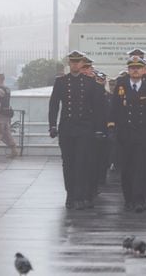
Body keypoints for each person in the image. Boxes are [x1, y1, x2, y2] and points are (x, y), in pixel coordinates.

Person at [48, 51, 106, 209]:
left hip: (85, 128)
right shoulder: (61, 82)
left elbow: (98, 109)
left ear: (82, 64)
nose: (74, 64)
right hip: (67, 128)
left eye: (77, 62)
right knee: (68, 163)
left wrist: (99, 129)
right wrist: (52, 124)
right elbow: (54, 105)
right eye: (72, 62)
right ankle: (70, 195)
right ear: (69, 64)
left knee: (82, 163)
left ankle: (82, 195)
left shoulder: (90, 83)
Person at [108, 57, 146, 212]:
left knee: (141, 168)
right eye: (132, 67)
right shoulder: (121, 86)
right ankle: (128, 198)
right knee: (126, 168)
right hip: (125, 135)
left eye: (138, 67)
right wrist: (111, 127)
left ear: (144, 70)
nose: (135, 70)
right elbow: (114, 109)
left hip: (144, 135)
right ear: (128, 70)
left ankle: (139, 199)